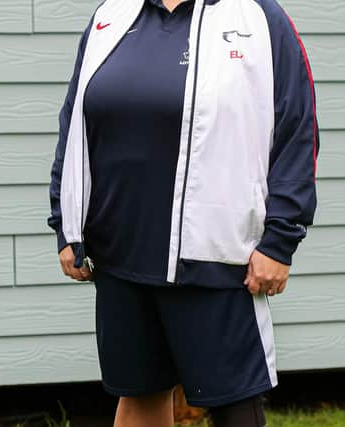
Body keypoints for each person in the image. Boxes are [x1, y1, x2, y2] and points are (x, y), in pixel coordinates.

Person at [47, 0, 319, 425]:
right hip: (120, 257)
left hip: (214, 255)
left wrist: (280, 240)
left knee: (235, 405)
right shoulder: (112, 15)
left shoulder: (258, 18)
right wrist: (67, 225)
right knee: (139, 394)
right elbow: (75, 124)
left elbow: (297, 131)